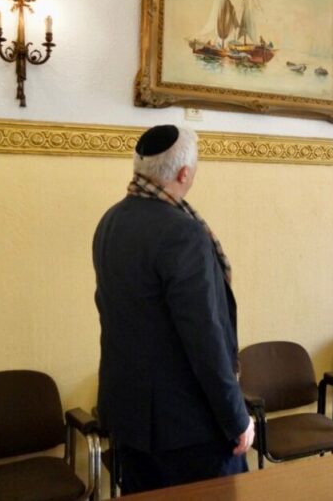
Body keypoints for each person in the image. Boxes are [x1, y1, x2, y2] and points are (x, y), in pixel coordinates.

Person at [93, 125, 253, 492]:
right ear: (184, 174)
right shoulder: (183, 232)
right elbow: (205, 338)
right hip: (188, 427)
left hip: (130, 418)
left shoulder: (110, 221)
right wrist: (236, 417)